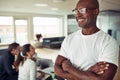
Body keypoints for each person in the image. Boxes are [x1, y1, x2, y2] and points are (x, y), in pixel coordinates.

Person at [54, 0, 119, 80]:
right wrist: (86, 75)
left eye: (82, 10)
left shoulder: (109, 42)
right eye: (76, 11)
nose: (78, 15)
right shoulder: (69, 39)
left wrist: (69, 68)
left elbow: (103, 79)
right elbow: (57, 69)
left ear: (96, 11)